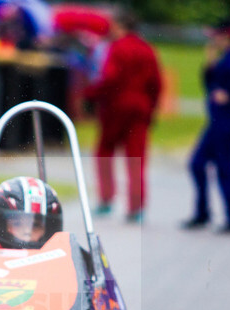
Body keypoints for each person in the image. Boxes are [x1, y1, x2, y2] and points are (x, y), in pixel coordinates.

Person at [84, 8, 162, 224]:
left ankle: (107, 199)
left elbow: (110, 78)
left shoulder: (117, 48)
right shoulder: (147, 49)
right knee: (136, 158)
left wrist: (90, 94)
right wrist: (151, 108)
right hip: (140, 109)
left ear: (120, 26)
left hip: (116, 109)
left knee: (104, 153)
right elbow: (156, 83)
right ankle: (136, 207)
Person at [183, 19, 230, 233]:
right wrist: (210, 63)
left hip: (226, 119)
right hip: (218, 120)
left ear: (226, 37)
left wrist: (229, 93)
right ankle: (203, 213)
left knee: (223, 166)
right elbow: (210, 84)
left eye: (216, 36)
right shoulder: (224, 58)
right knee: (197, 163)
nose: (212, 40)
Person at [0, 176, 63, 250]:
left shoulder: (58, 263)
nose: (27, 231)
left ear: (47, 230)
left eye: (35, 225)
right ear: (0, 225)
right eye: (17, 224)